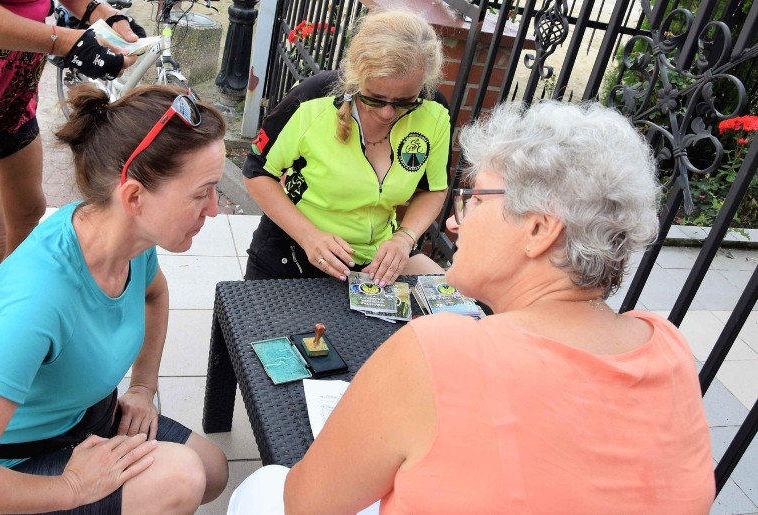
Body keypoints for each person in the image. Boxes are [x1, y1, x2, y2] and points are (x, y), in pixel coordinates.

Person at [227, 101, 716, 513]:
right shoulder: (668, 345)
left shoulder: (439, 351)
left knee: (262, 488)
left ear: (540, 230)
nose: (456, 224)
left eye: (476, 200)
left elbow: (308, 503)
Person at [0, 84, 229, 514]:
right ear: (134, 196)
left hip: (74, 420)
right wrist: (75, 487)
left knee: (212, 470)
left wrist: (142, 387)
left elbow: (155, 293)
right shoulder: (39, 300)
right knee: (180, 479)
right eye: (201, 193)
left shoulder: (127, 232)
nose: (214, 209)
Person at [0, 0, 145, 382]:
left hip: (12, 65)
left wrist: (100, 14)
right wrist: (67, 41)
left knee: (27, 210)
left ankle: (5, 333)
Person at [243, 10, 449, 286]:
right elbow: (257, 171)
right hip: (292, 253)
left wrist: (405, 237)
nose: (388, 113)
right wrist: (309, 236)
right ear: (355, 75)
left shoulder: (434, 110)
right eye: (375, 99)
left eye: (404, 101)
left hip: (374, 263)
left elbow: (433, 189)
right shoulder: (313, 99)